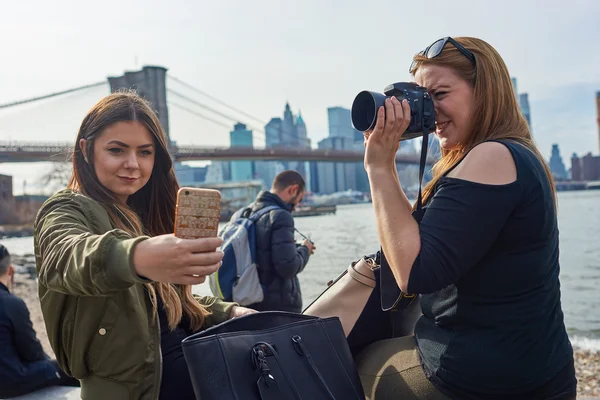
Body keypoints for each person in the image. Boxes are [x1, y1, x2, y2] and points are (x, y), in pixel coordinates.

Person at [356, 37, 576, 400]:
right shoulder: (517, 153)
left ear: (485, 92)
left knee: (352, 362)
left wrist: (379, 166)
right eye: (423, 99)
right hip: (537, 371)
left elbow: (414, 273)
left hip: (480, 380)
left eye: (440, 94)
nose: (429, 110)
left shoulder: (491, 155)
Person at [33, 91, 256, 400]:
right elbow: (66, 258)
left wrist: (230, 311)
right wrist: (136, 257)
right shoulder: (66, 209)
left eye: (145, 152)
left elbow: (166, 310)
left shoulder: (146, 216)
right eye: (116, 150)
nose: (133, 164)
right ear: (86, 150)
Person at [0, 244, 79, 398]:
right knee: (68, 368)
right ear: (10, 271)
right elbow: (32, 353)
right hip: (8, 383)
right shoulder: (11, 303)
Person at [242, 170, 316, 313]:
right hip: (277, 309)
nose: (295, 207)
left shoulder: (246, 212)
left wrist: (293, 246)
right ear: (293, 189)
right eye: (299, 200)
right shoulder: (281, 216)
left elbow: (262, 251)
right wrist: (305, 249)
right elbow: (288, 267)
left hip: (248, 303)